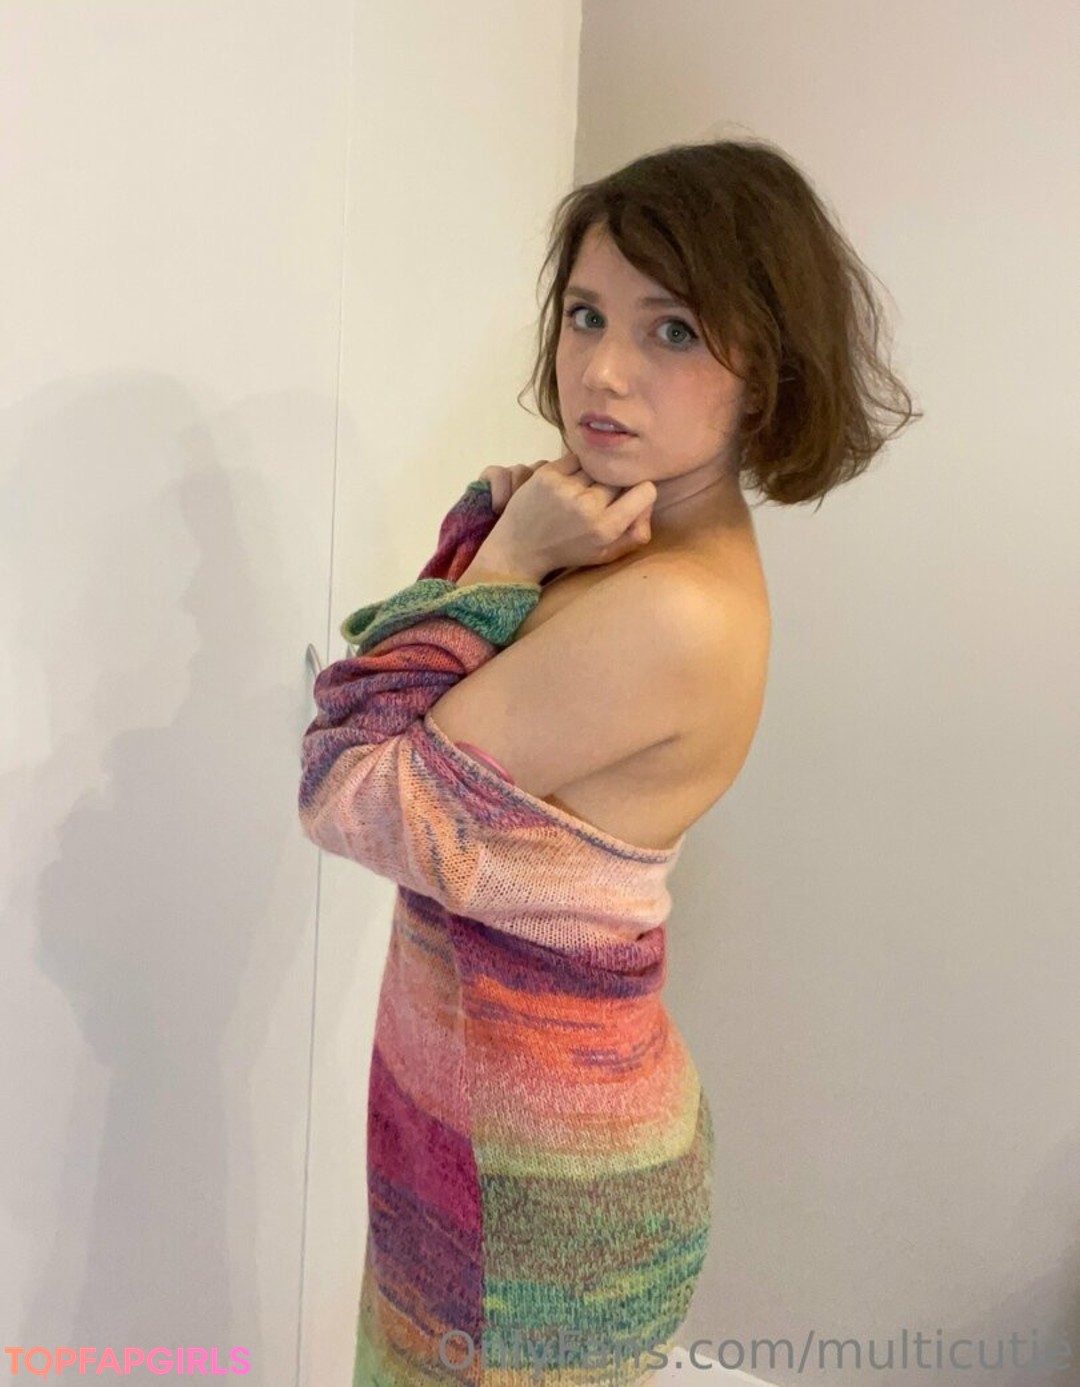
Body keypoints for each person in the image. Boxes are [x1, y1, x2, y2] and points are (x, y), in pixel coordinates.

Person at [299, 137, 920, 1385]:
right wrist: (509, 540)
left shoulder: (669, 611)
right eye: (585, 315)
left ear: (769, 371)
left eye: (672, 330)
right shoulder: (622, 545)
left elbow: (350, 787)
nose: (604, 369)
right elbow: (400, 685)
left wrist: (502, 558)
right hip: (490, 1133)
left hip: (536, 1192)